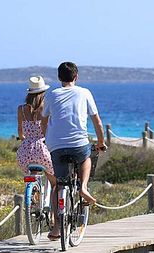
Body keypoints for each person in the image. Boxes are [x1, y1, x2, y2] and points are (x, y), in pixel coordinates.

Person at [42, 62, 106, 240]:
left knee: (59, 185)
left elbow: (44, 121)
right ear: (76, 77)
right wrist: (100, 142)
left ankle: (56, 228)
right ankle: (83, 187)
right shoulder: (84, 92)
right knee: (86, 157)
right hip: (78, 144)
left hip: (56, 145)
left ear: (59, 78)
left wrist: (47, 139)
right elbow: (97, 122)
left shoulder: (52, 94)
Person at [16, 75, 56, 190]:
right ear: (42, 92)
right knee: (54, 182)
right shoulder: (46, 108)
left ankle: (33, 197)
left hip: (25, 152)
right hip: (42, 151)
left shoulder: (21, 109)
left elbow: (20, 132)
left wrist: (25, 139)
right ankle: (54, 205)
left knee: (29, 173)